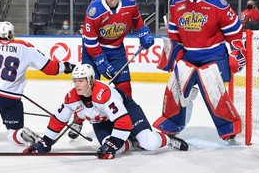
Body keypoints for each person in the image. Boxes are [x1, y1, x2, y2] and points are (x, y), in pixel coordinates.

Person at [153, 0, 246, 145]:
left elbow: (234, 31)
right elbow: (174, 34)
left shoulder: (215, 0)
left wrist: (237, 51)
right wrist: (171, 52)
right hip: (189, 54)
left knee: (212, 90)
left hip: (213, 55)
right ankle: (172, 123)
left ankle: (229, 127)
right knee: (175, 87)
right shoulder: (178, 1)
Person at [23, 64, 188, 158]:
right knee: (109, 147)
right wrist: (45, 142)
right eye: (75, 81)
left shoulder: (104, 94)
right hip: (102, 121)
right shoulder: (71, 97)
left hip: (127, 112)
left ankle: (167, 138)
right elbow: (58, 120)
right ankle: (132, 142)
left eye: (81, 81)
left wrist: (113, 142)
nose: (78, 84)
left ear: (91, 81)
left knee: (149, 143)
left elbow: (123, 121)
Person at [0, 21, 76, 144]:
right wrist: (66, 67)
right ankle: (22, 134)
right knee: (13, 134)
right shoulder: (25, 47)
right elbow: (50, 69)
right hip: (9, 100)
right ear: (11, 33)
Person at [81, 0, 154, 99]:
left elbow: (137, 20)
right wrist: (99, 59)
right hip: (93, 51)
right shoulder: (94, 10)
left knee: (125, 89)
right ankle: (81, 116)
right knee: (88, 89)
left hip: (117, 50)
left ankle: (125, 117)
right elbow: (89, 41)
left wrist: (144, 33)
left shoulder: (130, 4)